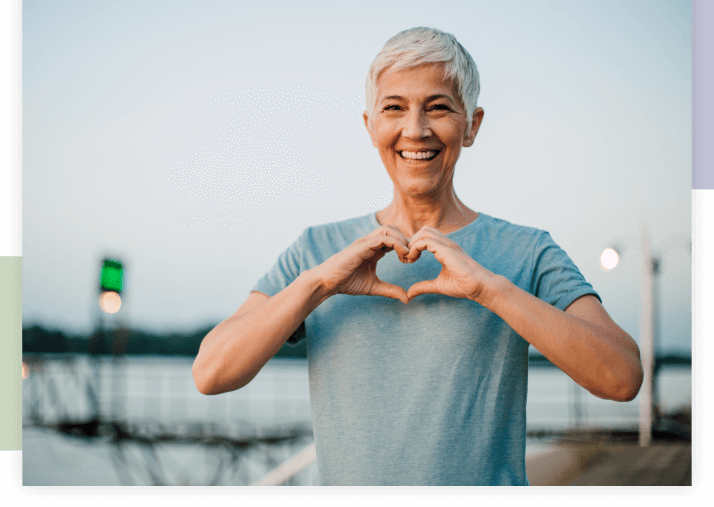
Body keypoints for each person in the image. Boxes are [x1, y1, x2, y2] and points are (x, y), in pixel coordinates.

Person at [192, 27, 643, 486]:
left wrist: (490, 289)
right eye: (394, 108)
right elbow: (211, 372)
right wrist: (318, 285)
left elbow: (621, 377)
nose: (416, 129)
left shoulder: (527, 250)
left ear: (472, 125)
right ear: (370, 126)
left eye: (439, 107)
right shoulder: (316, 251)